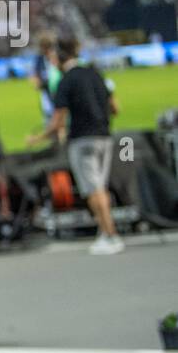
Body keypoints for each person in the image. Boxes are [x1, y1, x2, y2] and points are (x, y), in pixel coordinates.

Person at [27, 36, 122, 255]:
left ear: (59, 57)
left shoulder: (66, 81)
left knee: (93, 189)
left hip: (82, 138)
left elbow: (58, 119)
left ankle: (111, 235)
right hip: (105, 136)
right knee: (100, 187)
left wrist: (38, 138)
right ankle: (105, 232)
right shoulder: (95, 73)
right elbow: (115, 108)